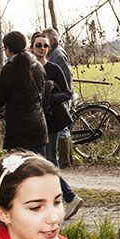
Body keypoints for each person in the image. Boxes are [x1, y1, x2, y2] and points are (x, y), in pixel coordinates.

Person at [0, 31, 84, 220]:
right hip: (38, 124)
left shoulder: (11, 69)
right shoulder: (36, 65)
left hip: (20, 127)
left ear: (7, 49)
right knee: (41, 167)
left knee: (17, 169)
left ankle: (13, 208)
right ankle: (60, 199)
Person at [43, 27, 74, 168]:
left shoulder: (58, 54)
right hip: (56, 94)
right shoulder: (52, 53)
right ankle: (66, 159)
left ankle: (65, 160)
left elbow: (65, 77)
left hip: (60, 95)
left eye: (46, 39)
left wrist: (61, 95)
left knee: (62, 128)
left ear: (53, 39)